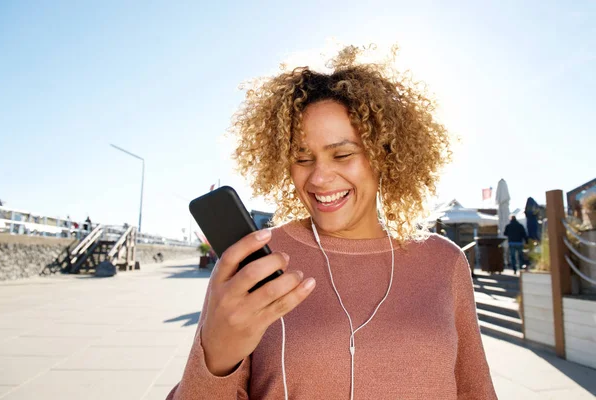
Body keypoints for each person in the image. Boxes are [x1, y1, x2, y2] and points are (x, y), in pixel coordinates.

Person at [167, 45, 496, 399]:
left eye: (342, 154)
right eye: (302, 158)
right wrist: (216, 355)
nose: (320, 178)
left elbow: (476, 391)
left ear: (382, 155)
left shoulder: (444, 262)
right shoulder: (259, 259)